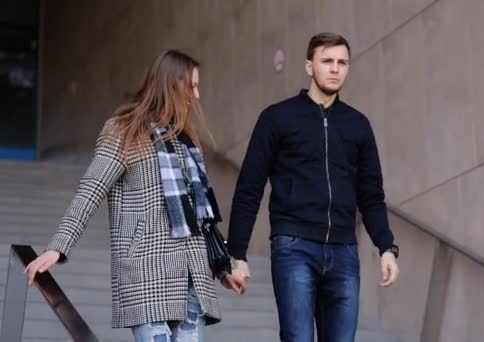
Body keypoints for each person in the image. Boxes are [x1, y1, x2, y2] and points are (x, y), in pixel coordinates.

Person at [25, 49, 246, 342]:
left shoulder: (187, 140)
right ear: (171, 85)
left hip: (192, 278)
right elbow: (92, 188)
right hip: (146, 272)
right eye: (191, 86)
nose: (197, 95)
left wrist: (222, 267)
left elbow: (202, 218)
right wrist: (59, 246)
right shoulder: (124, 131)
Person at [225, 32, 400, 342]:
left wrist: (386, 247)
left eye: (342, 62)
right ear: (309, 66)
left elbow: (371, 194)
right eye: (327, 61)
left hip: (344, 251)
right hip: (294, 248)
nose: (335, 68)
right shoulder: (277, 118)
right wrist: (237, 253)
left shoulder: (358, 124)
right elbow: (250, 187)